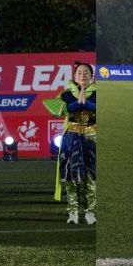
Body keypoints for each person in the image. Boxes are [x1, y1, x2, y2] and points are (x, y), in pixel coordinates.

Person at [43, 62, 97, 225]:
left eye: (86, 72)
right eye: (80, 72)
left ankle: (90, 213)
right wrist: (76, 104)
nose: (83, 75)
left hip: (92, 139)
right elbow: (60, 109)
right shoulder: (66, 94)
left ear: (92, 76)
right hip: (71, 139)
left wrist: (87, 104)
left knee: (92, 177)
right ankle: (72, 212)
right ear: (74, 76)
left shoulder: (99, 93)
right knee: (71, 177)